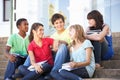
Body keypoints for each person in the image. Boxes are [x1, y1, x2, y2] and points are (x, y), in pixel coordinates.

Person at [44, 13, 71, 80]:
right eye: (56, 23)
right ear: (54, 25)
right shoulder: (53, 36)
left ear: (64, 23)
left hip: (66, 56)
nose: (59, 24)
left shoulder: (69, 32)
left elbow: (73, 46)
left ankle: (54, 71)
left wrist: (62, 43)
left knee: (62, 46)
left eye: (60, 22)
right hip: (55, 57)